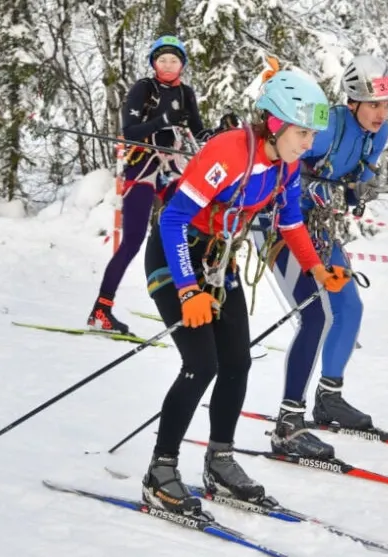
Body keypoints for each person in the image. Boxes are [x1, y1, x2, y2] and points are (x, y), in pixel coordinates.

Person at [139, 69, 351, 516]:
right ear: (275, 123)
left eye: (312, 133)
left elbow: (290, 221)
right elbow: (174, 219)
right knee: (201, 364)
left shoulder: (287, 165)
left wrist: (317, 267)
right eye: (302, 132)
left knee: (236, 362)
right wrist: (188, 289)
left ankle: (219, 462)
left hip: (217, 260)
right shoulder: (229, 152)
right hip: (175, 254)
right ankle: (160, 472)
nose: (308, 142)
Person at [250, 55, 388, 459]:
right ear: (352, 101)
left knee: (348, 307)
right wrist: (314, 189)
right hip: (280, 225)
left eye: (386, 106)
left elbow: (357, 177)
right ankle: (289, 417)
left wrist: (358, 190)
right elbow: (285, 169)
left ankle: (329, 397)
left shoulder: (377, 135)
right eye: (373, 105)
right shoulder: (328, 124)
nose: (381, 114)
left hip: (318, 229)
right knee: (317, 315)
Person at [87, 35, 209, 335]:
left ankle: (190, 294)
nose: (168, 65)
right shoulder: (145, 88)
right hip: (142, 167)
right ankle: (101, 310)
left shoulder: (186, 93)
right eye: (162, 60)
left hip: (172, 169)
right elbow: (128, 131)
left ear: (182, 64)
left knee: (193, 224)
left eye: (174, 60)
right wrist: (160, 121)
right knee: (133, 240)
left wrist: (221, 133)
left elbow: (200, 132)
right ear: (154, 63)